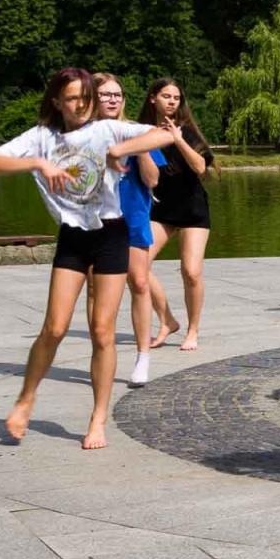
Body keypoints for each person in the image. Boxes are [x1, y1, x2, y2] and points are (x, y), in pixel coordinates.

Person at [0, 68, 176, 448]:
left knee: (102, 331)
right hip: (73, 238)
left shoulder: (106, 130)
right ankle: (26, 398)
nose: (82, 105)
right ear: (57, 101)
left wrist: (121, 150)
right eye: (73, 98)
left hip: (111, 234)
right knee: (54, 327)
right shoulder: (41, 138)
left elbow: (164, 134)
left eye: (86, 98)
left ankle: (98, 418)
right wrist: (37, 164)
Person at [87, 74, 169, 389]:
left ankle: (142, 356)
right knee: (95, 289)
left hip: (133, 216)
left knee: (139, 281)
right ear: (92, 98)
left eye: (117, 94)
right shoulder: (84, 134)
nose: (112, 99)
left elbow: (152, 181)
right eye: (105, 94)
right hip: (96, 221)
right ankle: (100, 348)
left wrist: (139, 150)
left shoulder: (137, 132)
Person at [139, 79, 214, 352]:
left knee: (191, 271)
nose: (172, 101)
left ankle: (193, 330)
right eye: (166, 96)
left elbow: (200, 168)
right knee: (137, 266)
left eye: (176, 98)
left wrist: (178, 138)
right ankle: (167, 320)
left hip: (193, 208)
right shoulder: (142, 132)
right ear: (152, 99)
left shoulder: (189, 132)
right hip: (161, 209)